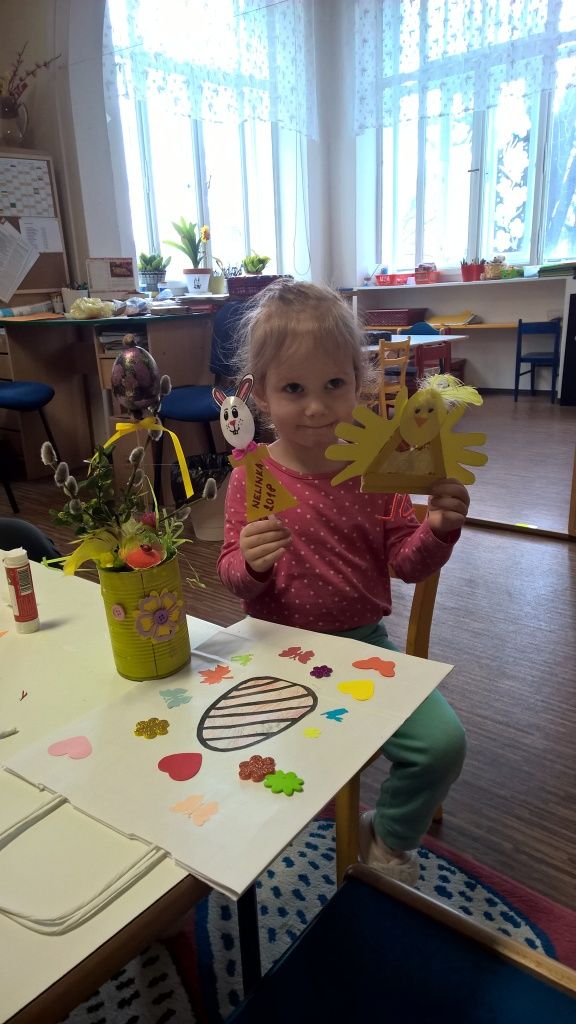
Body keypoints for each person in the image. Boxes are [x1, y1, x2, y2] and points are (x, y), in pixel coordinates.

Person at [217, 280, 468, 885]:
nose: (316, 407)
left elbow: (406, 564)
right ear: (259, 394)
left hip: (362, 646)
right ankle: (251, 841)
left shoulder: (377, 471)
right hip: (273, 650)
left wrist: (437, 530)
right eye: (293, 389)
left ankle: (388, 836)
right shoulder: (252, 476)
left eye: (334, 384)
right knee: (227, 756)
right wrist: (250, 563)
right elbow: (233, 579)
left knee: (442, 744)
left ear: (360, 383)